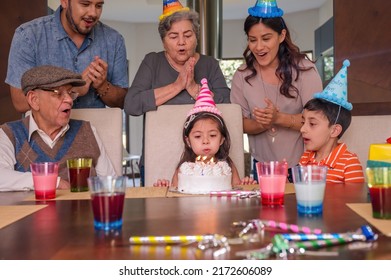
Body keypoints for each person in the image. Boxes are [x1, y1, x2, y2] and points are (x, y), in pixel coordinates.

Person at [124, 0, 230, 186]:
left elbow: (228, 103)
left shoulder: (209, 64)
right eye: (173, 36)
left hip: (204, 161)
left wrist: (194, 89)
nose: (181, 42)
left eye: (187, 35)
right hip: (157, 156)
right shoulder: (152, 62)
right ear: (164, 41)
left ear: (196, 37)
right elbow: (131, 104)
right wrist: (177, 86)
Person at [230, 0, 323, 182]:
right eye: (252, 39)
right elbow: (237, 123)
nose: (258, 47)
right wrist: (263, 123)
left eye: (266, 38)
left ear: (281, 36)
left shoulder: (305, 70)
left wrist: (278, 118)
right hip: (261, 168)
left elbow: (318, 121)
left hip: (303, 165)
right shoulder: (242, 75)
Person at [0, 65, 116, 192]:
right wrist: (52, 181)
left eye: (70, 93)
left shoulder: (87, 131)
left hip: (82, 211)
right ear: (34, 100)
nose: (69, 100)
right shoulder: (10, 134)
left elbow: (112, 184)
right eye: (58, 93)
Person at [5, 0, 128, 113]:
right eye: (85, 4)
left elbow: (123, 101)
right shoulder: (28, 36)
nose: (93, 13)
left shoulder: (114, 40)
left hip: (95, 132)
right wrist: (72, 90)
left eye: (99, 6)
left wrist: (102, 85)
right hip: (44, 135)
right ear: (64, 2)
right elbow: (20, 102)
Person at [154, 79, 255, 187]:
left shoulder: (226, 167)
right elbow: (174, 196)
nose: (205, 141)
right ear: (188, 141)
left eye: (212, 135)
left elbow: (237, 192)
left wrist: (245, 185)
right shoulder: (185, 169)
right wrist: (163, 189)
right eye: (198, 136)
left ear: (221, 139)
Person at [299, 60, 365, 183]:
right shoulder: (305, 158)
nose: (302, 129)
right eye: (303, 123)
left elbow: (357, 201)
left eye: (312, 124)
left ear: (334, 130)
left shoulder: (349, 163)